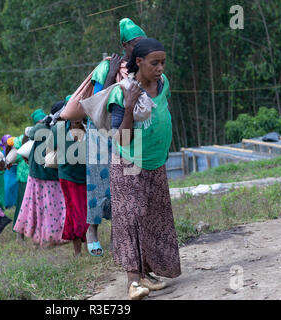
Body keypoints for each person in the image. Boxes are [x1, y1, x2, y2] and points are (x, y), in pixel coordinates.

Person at [107, 38, 181, 300]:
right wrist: (129, 106)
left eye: (163, 62)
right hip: (128, 161)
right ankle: (133, 283)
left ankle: (147, 274)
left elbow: (162, 108)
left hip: (155, 160)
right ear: (138, 62)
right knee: (132, 217)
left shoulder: (164, 83)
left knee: (153, 215)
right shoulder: (122, 91)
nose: (160, 68)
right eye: (154, 63)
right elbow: (122, 138)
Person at [86, 18, 147, 257]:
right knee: (98, 183)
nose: (139, 46)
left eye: (142, 42)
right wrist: (112, 73)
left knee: (126, 184)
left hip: (129, 133)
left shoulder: (141, 68)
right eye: (135, 43)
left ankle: (120, 237)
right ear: (125, 45)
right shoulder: (107, 67)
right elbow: (98, 100)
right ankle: (91, 230)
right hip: (101, 133)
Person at [13, 104, 68, 248]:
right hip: (43, 175)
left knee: (45, 207)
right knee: (46, 207)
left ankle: (49, 236)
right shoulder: (47, 128)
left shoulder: (58, 128)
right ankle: (47, 238)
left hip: (46, 174)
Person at [50, 118, 89, 257]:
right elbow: (48, 150)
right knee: (75, 211)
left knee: (86, 211)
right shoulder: (59, 129)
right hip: (67, 176)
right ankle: (78, 250)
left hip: (86, 175)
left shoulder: (90, 127)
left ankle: (87, 247)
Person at [7, 134, 29, 242]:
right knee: (22, 206)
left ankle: (22, 235)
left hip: (34, 179)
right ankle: (19, 235)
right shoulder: (20, 144)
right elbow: (9, 159)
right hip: (25, 180)